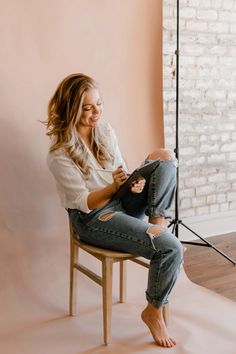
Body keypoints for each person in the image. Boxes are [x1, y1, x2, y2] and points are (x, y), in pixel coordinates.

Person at [45, 73, 183, 348]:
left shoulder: (105, 132)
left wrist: (133, 183)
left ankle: (158, 222)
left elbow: (120, 170)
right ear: (71, 110)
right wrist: (113, 188)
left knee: (165, 158)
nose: (96, 112)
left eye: (99, 103)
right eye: (87, 108)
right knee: (171, 249)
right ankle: (153, 311)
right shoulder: (59, 154)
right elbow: (84, 202)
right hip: (93, 218)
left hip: (122, 202)